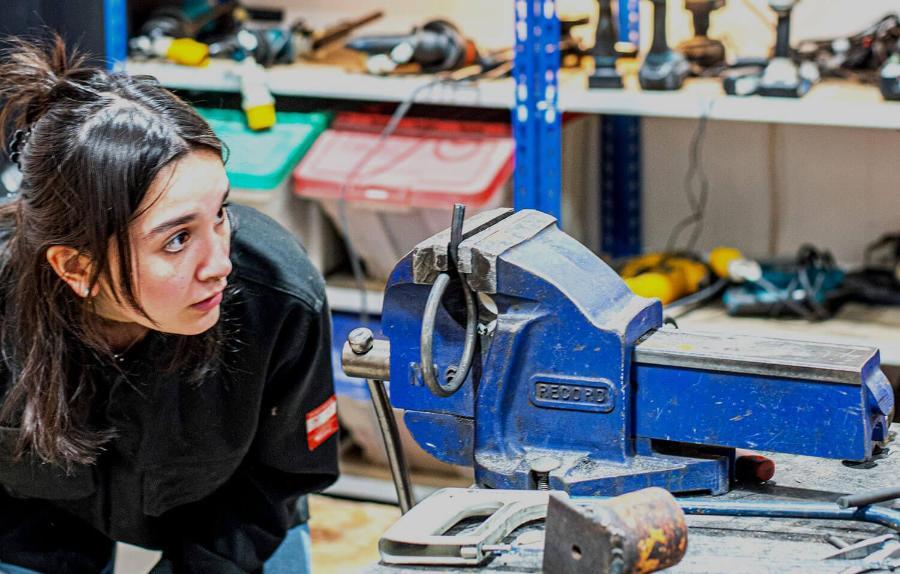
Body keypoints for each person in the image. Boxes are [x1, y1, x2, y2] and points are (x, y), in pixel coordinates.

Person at [0, 36, 339, 573]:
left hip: (234, 516)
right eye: (177, 239)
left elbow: (280, 477)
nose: (219, 264)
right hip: (30, 522)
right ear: (77, 268)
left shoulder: (279, 299)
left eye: (221, 212)